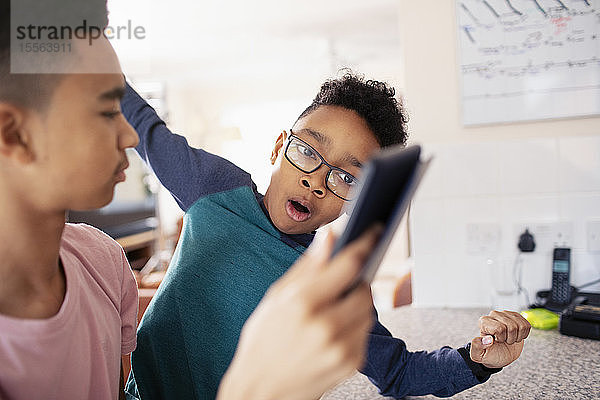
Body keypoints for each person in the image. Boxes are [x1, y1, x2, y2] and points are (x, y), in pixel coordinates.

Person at [0, 1, 381, 399]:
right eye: (103, 109)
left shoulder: (106, 264)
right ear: (15, 134)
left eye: (345, 177)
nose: (131, 138)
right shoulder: (216, 191)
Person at [121, 69, 532, 399]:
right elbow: (143, 123)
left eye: (345, 178)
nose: (315, 181)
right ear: (279, 146)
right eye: (306, 151)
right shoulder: (215, 189)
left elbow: (398, 374)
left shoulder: (334, 281)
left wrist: (477, 361)